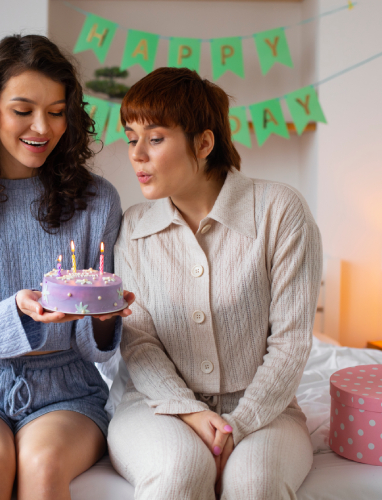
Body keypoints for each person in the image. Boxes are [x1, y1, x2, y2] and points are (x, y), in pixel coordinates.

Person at [0, 34, 134, 500]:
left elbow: (98, 352)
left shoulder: (98, 201)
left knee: (43, 463)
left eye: (57, 112)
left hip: (68, 388)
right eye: (23, 110)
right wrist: (18, 312)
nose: (43, 127)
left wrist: (103, 319)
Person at [108, 67, 322, 500]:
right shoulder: (133, 227)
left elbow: (291, 342)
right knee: (177, 473)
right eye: (132, 138)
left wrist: (236, 426)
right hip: (155, 405)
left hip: (266, 409)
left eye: (155, 138)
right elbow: (138, 341)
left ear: (203, 143)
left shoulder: (280, 211)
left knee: (255, 482)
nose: (137, 154)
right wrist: (189, 411)